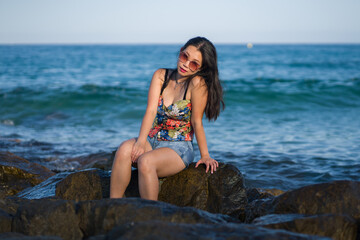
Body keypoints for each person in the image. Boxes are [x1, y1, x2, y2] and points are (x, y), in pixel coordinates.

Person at [110, 36, 225, 200]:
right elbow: (150, 110)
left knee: (146, 162)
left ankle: (151, 214)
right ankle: (113, 205)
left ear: (200, 68)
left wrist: (205, 155)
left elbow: (196, 122)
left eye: (194, 63)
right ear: (180, 52)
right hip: (152, 140)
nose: (186, 64)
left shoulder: (197, 84)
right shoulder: (160, 76)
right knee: (123, 150)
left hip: (178, 148)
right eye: (185, 56)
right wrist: (141, 141)